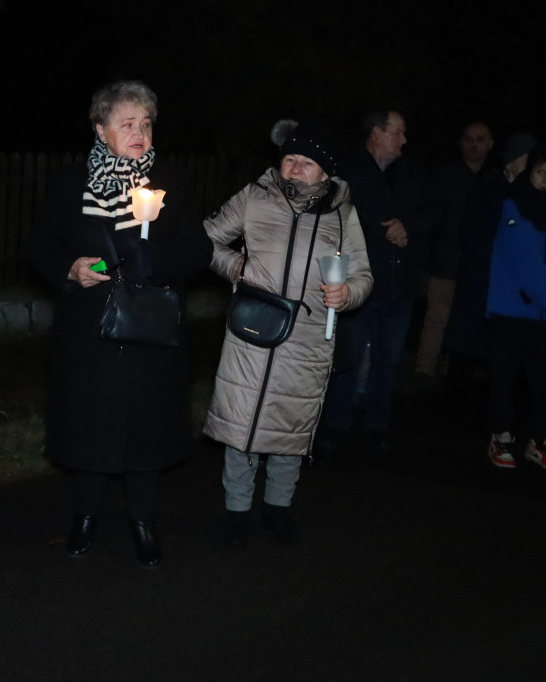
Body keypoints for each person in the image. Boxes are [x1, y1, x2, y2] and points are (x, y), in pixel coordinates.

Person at [29, 80, 211, 568]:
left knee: (146, 430)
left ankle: (143, 523)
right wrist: (70, 269)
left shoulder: (168, 180)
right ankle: (84, 518)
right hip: (88, 331)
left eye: (146, 124)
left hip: (150, 330)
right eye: (127, 124)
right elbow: (41, 247)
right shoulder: (71, 183)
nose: (139, 133)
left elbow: (200, 249)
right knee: (92, 427)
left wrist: (160, 261)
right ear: (100, 129)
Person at [203, 119, 372, 546]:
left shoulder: (344, 213)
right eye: (290, 159)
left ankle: (278, 508)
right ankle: (236, 513)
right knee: (242, 423)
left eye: (307, 161)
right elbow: (209, 240)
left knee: (290, 428)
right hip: (251, 329)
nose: (295, 168)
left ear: (326, 170)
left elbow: (363, 275)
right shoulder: (255, 197)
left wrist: (347, 293)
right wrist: (235, 267)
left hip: (308, 336)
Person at [321, 108, 432, 454]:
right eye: (397, 132)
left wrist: (408, 226)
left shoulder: (414, 171)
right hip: (360, 284)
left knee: (389, 359)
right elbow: (332, 215)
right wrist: (381, 231)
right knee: (348, 356)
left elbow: (437, 210)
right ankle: (336, 425)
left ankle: (376, 426)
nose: (404, 139)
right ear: (376, 133)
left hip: (401, 285)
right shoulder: (347, 170)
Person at [485, 145, 546, 472]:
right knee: (504, 378)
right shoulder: (513, 204)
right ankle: (501, 436)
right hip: (510, 310)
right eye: (541, 172)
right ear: (530, 171)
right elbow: (520, 257)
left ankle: (540, 440)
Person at [442, 132, 537, 427]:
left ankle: (495, 417)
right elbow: (473, 236)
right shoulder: (488, 191)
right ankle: (452, 417)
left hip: (512, 292)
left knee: (504, 356)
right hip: (481, 284)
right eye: (526, 161)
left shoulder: (531, 196)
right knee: (466, 353)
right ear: (511, 162)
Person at [415, 121, 498, 379]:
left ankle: (463, 372)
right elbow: (435, 215)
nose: (474, 144)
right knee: (437, 319)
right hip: (448, 260)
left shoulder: (495, 177)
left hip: (482, 265)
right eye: (469, 138)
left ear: (490, 143)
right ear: (461, 142)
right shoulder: (444, 175)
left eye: (480, 139)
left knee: (473, 320)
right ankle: (425, 371)